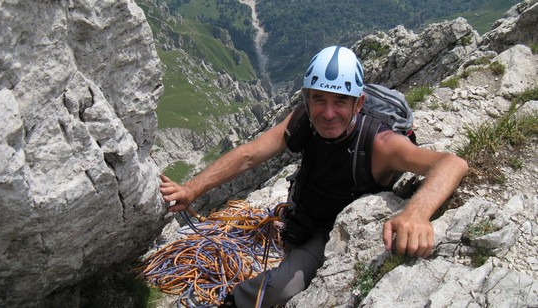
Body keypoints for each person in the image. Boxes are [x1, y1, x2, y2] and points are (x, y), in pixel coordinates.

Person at [159, 46, 468, 307]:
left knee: (279, 287)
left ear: (358, 104)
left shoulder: (380, 144)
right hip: (304, 214)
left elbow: (451, 164)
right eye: (319, 100)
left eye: (340, 101)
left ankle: (232, 303)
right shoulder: (305, 118)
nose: (328, 112)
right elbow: (250, 154)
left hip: (333, 233)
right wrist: (191, 189)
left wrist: (416, 213)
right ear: (307, 100)